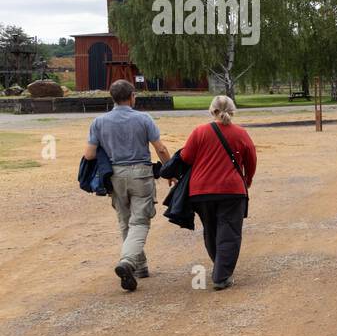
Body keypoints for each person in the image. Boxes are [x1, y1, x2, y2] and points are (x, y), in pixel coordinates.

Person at [84, 79, 172, 292]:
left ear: (112, 97)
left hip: (115, 175)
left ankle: (139, 267)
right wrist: (170, 170)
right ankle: (128, 262)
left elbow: (89, 154)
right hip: (141, 174)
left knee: (125, 221)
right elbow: (160, 148)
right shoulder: (143, 118)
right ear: (132, 96)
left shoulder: (99, 122)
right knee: (140, 221)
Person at [181, 95, 257, 290]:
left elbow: (186, 157)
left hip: (200, 191)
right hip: (231, 190)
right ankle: (221, 275)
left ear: (211, 110)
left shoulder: (199, 132)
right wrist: (246, 180)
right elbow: (251, 160)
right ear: (232, 111)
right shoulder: (240, 133)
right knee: (229, 232)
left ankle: (220, 267)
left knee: (211, 230)